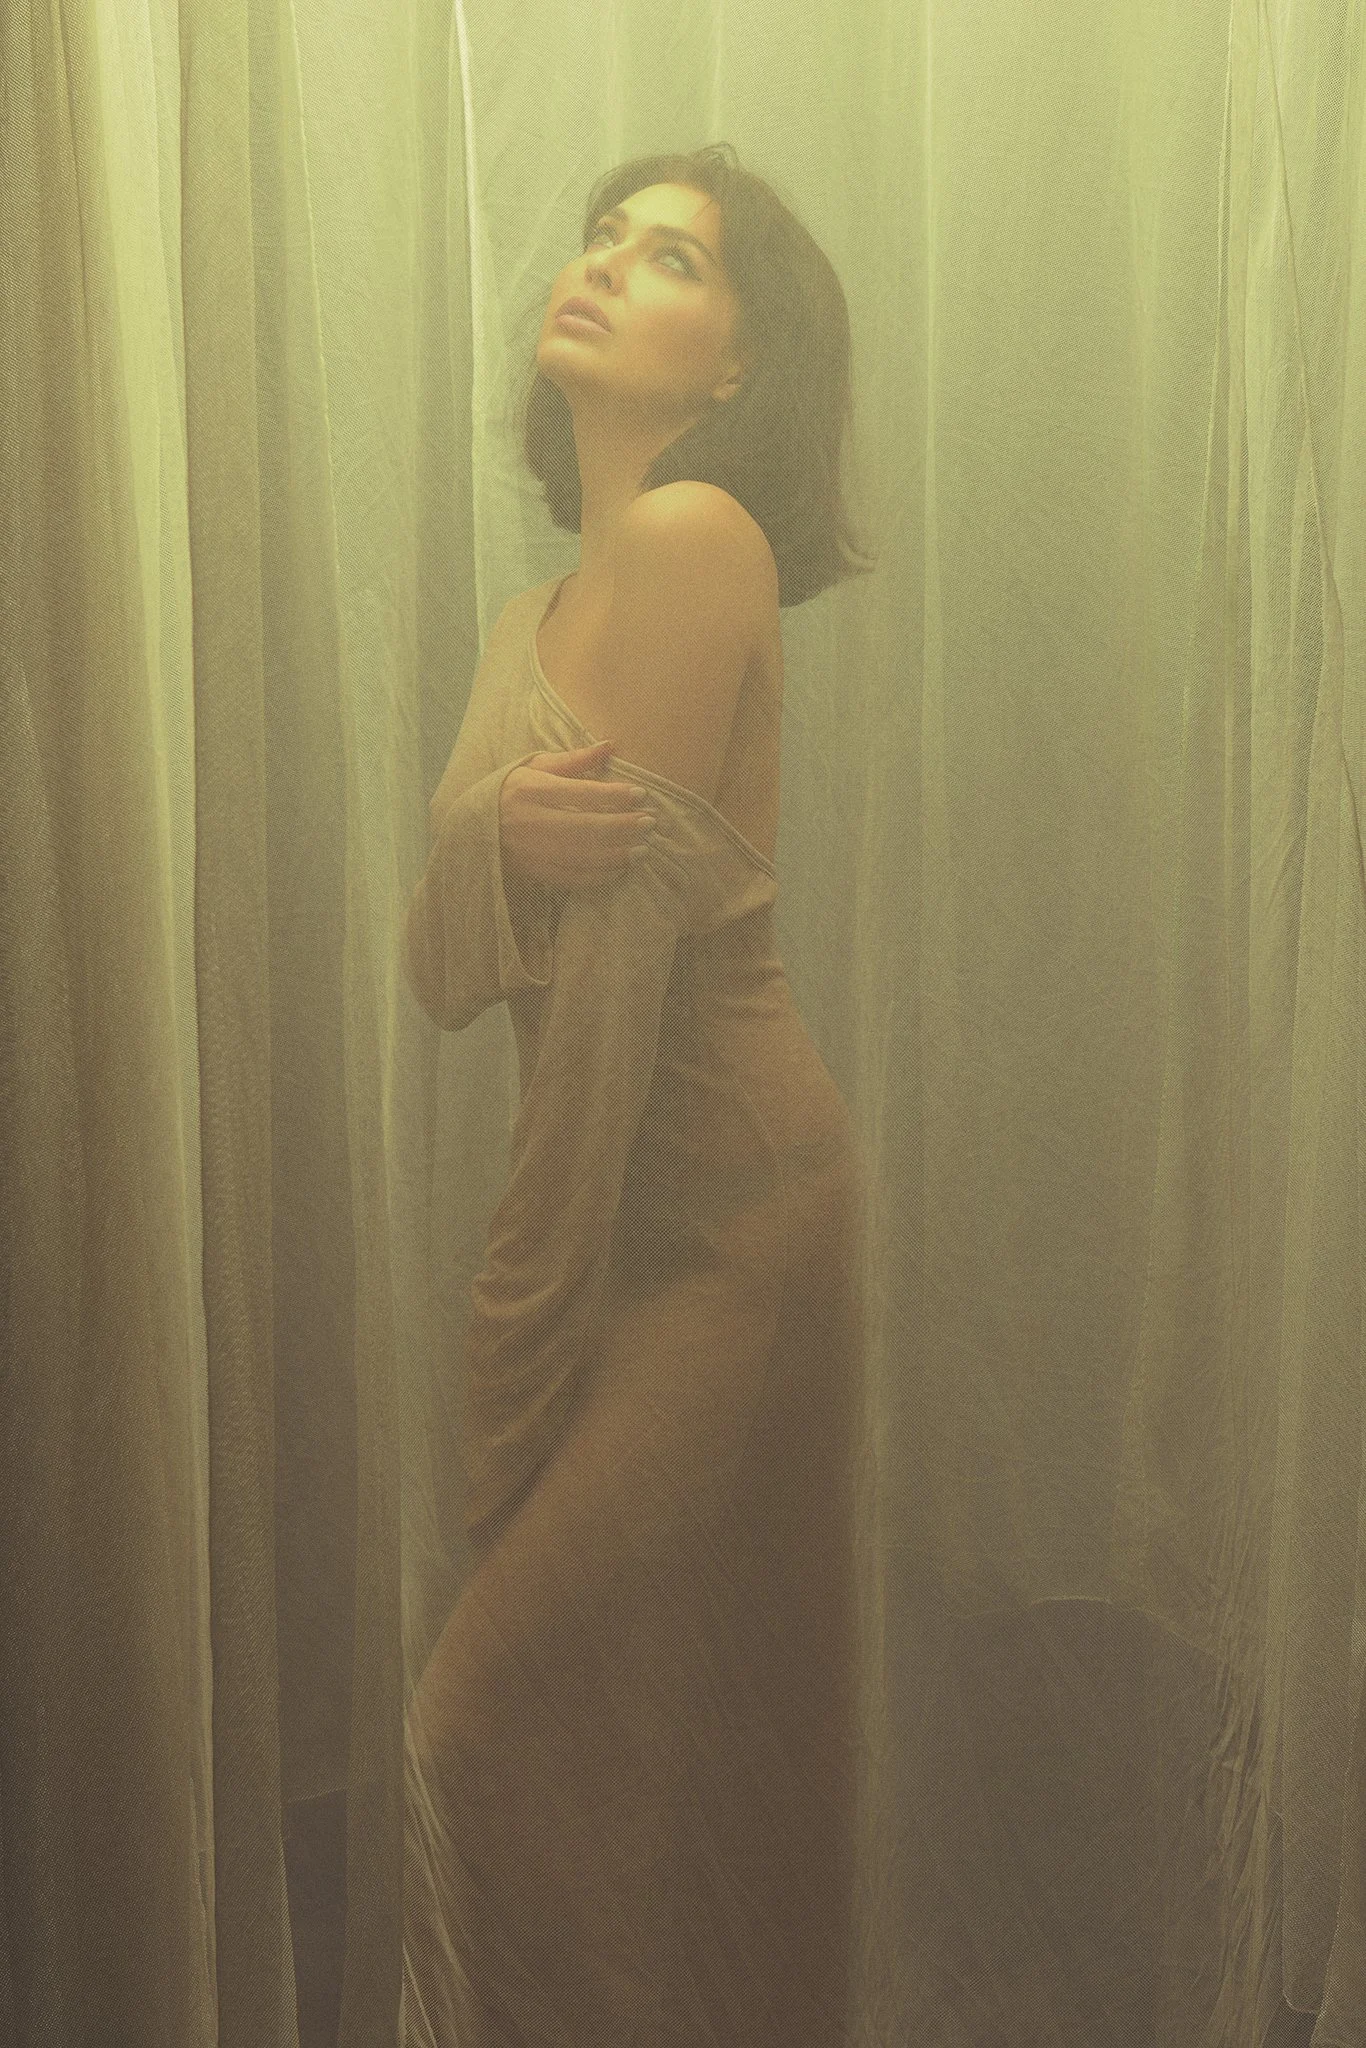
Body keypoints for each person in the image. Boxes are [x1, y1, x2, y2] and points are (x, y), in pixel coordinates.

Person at [400, 143, 876, 2048]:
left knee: (490, 1720)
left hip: (730, 1231)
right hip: (615, 1221)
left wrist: (509, 1358)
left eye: (669, 256)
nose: (601, 264)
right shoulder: (527, 620)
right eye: (603, 236)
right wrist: (490, 838)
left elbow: (601, 999)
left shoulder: (696, 537)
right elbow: (443, 971)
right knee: (613, 1758)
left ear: (737, 367)